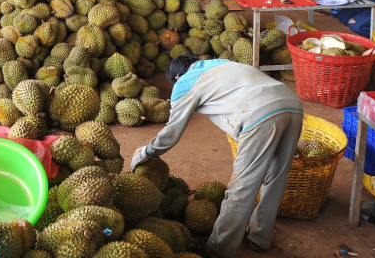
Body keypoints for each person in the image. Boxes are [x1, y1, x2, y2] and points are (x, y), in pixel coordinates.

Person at [130, 55, 304, 258]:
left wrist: (147, 151)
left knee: (243, 186)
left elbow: (172, 133)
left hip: (259, 115)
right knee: (277, 177)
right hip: (292, 104)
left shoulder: (185, 82)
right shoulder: (222, 63)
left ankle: (219, 248)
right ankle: (260, 238)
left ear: (177, 76)